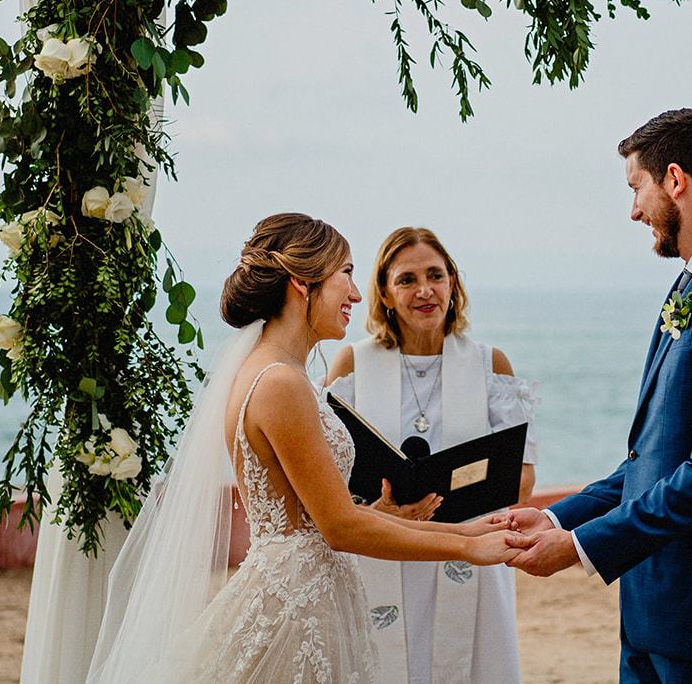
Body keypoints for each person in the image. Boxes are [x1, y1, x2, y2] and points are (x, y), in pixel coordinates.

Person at [85, 213, 530, 684]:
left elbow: (323, 516)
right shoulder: (280, 383)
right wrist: (467, 547)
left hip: (313, 589)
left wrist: (461, 529)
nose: (354, 294)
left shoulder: (280, 372)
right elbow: (339, 527)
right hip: (297, 607)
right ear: (302, 282)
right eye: (346, 274)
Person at [505, 109, 692, 683]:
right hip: (655, 609)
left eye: (636, 187)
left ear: (675, 179)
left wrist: (579, 547)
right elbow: (656, 456)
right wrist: (558, 517)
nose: (634, 210)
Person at [325, 227, 538, 684]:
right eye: (407, 279)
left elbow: (521, 479)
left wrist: (452, 505)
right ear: (385, 293)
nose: (424, 290)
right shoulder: (352, 365)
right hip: (384, 550)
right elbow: (329, 473)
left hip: (471, 552)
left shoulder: (490, 364)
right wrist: (379, 511)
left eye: (435, 276)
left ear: (452, 283)